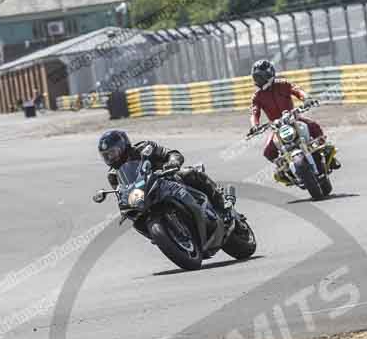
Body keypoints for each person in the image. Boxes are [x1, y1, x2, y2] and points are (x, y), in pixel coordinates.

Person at [98, 130, 232, 219]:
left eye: (112, 152)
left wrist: (172, 162)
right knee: (134, 216)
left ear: (123, 146)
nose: (110, 157)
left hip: (168, 179)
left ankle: (222, 202)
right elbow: (122, 194)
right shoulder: (113, 175)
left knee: (191, 173)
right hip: (145, 195)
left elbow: (171, 153)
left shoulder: (143, 148)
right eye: (106, 155)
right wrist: (124, 207)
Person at [248, 60, 340, 178]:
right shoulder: (257, 96)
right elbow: (254, 112)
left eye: (261, 76)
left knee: (314, 126)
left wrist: (306, 99)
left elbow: (297, 90)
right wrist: (254, 125)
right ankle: (283, 169)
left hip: (294, 119)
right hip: (277, 127)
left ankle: (329, 158)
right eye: (256, 77)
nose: (258, 80)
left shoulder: (283, 83)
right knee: (268, 151)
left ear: (269, 74)